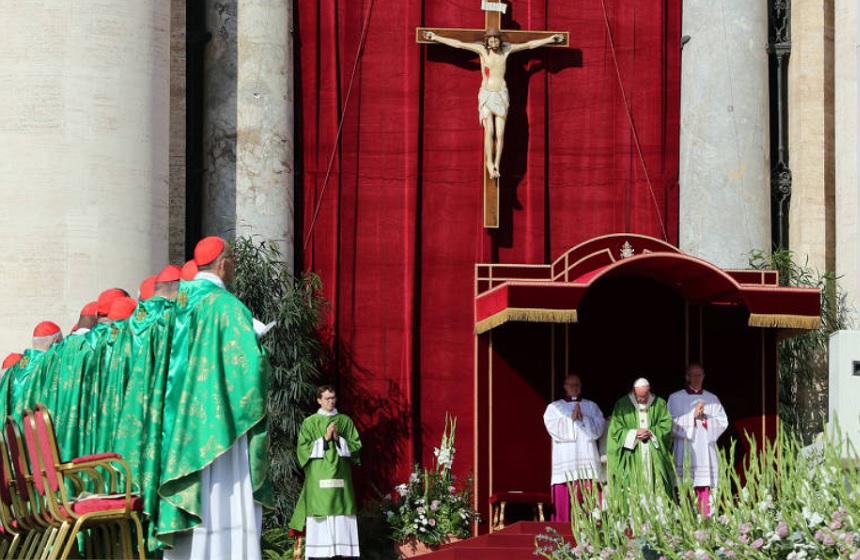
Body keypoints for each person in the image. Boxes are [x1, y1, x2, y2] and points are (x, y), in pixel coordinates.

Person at [158, 236, 272, 559]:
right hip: (221, 423)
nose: (234, 266)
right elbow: (250, 368)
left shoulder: (176, 304)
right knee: (225, 493)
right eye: (233, 261)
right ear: (223, 264)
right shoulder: (228, 307)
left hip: (180, 424)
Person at [423, 28, 564, 179]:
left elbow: (529, 45)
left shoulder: (506, 49)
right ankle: (489, 163)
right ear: (487, 41)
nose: (494, 42)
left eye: (496, 39)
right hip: (486, 95)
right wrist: (435, 37)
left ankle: (497, 164)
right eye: (491, 40)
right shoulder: (482, 50)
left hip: (501, 95)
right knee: (489, 131)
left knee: (501, 133)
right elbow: (458, 44)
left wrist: (550, 39)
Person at [289, 385, 361, 559]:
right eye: (327, 398)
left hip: (341, 476)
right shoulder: (310, 422)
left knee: (342, 513)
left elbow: (356, 447)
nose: (331, 401)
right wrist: (325, 439)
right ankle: (319, 555)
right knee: (320, 513)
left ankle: (344, 554)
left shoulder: (345, 421)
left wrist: (338, 439)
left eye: (333, 398)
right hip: (318, 476)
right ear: (319, 400)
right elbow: (303, 450)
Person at [667, 364, 728, 517]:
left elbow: (723, 422)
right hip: (685, 448)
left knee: (704, 484)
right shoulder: (675, 398)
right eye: (693, 375)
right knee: (684, 485)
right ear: (687, 377)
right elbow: (669, 423)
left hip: (705, 451)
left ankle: (706, 521)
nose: (697, 378)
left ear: (704, 377)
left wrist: (705, 419)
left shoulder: (712, 399)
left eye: (699, 375)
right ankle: (686, 520)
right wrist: (691, 417)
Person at [543, 374, 605, 521]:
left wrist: (584, 419)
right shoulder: (555, 408)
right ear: (565, 387)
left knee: (591, 504)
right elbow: (553, 428)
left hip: (587, 459)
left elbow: (599, 428)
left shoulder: (591, 406)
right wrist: (570, 419)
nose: (574, 388)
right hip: (566, 458)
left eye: (577, 385)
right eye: (571, 385)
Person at [606, 377, 674, 498]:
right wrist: (633, 433)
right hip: (632, 455)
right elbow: (615, 431)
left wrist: (651, 433)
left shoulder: (659, 404)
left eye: (645, 396)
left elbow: (666, 427)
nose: (642, 399)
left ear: (649, 390)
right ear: (633, 391)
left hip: (653, 455)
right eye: (639, 396)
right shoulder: (622, 405)